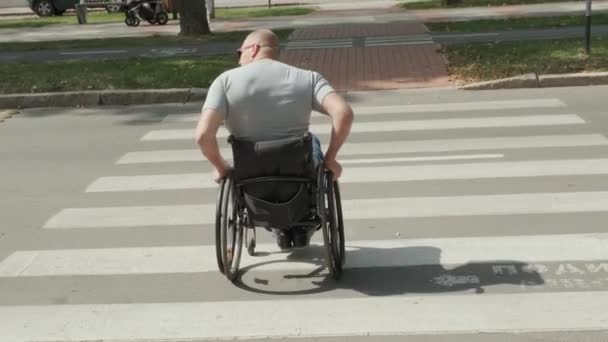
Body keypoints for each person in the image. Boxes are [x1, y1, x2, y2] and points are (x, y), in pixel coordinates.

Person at [195, 29, 353, 250]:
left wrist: (220, 167)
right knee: (312, 141)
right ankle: (301, 223)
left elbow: (203, 135)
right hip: (298, 174)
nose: (239, 58)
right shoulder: (307, 78)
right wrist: (331, 159)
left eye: (239, 52)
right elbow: (343, 113)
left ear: (254, 49)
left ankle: (276, 224)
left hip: (251, 175)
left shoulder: (225, 82)